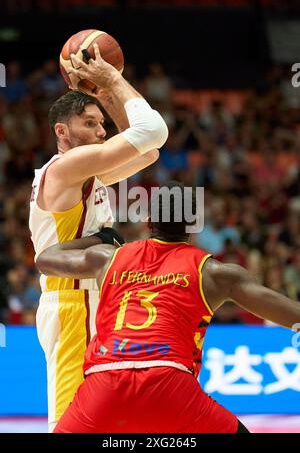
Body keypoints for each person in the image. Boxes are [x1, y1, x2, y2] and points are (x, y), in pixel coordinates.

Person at [36, 181, 300, 433]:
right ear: (193, 223)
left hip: (104, 382)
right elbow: (292, 315)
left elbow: (45, 259)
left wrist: (101, 238)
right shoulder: (214, 272)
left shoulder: (107, 258)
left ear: (149, 220)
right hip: (170, 383)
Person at [29, 43, 168, 431]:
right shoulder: (66, 167)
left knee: (104, 419)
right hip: (74, 303)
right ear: (62, 131)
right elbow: (153, 130)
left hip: (95, 300)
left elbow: (149, 150)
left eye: (101, 122)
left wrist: (106, 94)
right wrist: (111, 79)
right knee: (71, 421)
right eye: (89, 123)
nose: (101, 129)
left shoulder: (86, 174)